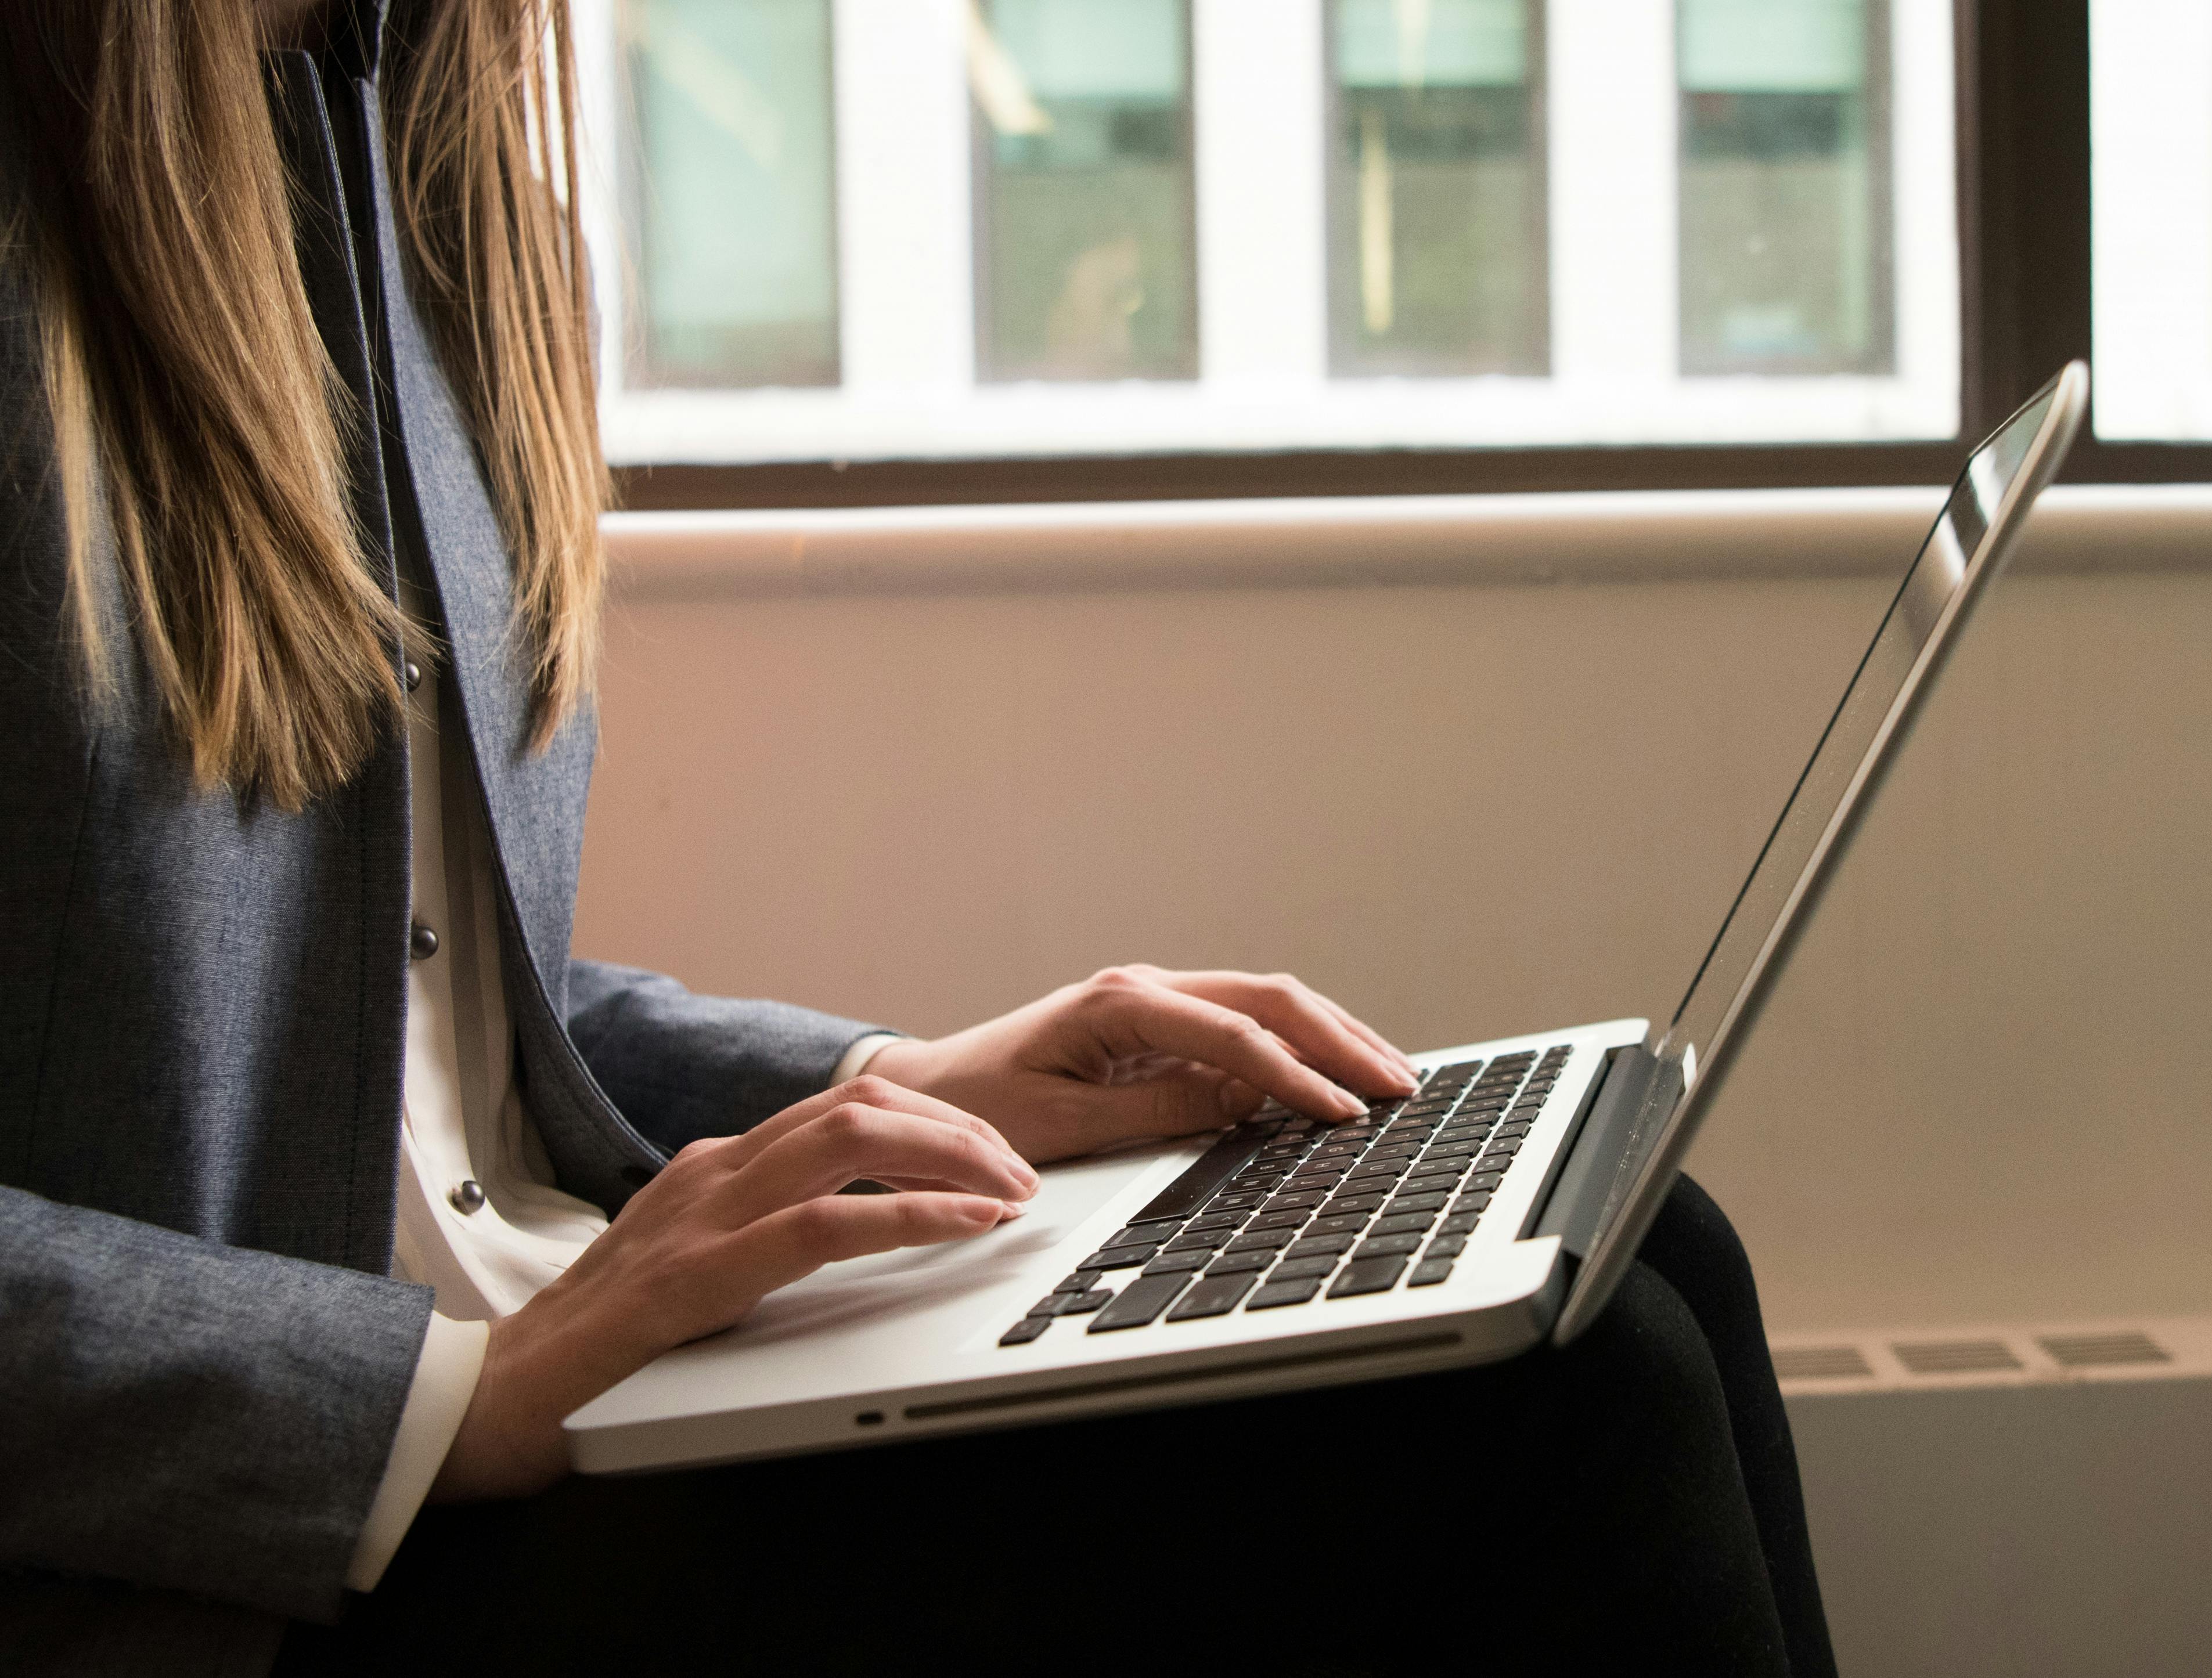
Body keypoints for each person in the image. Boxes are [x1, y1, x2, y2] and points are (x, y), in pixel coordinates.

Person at [0, 2, 1837, 1673]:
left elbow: (406, 1026)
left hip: (553, 1357)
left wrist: (901, 1081)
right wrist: (431, 1397)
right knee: (1574, 1414)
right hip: (239, 1547)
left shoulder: (420, 149)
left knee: (1645, 1241)